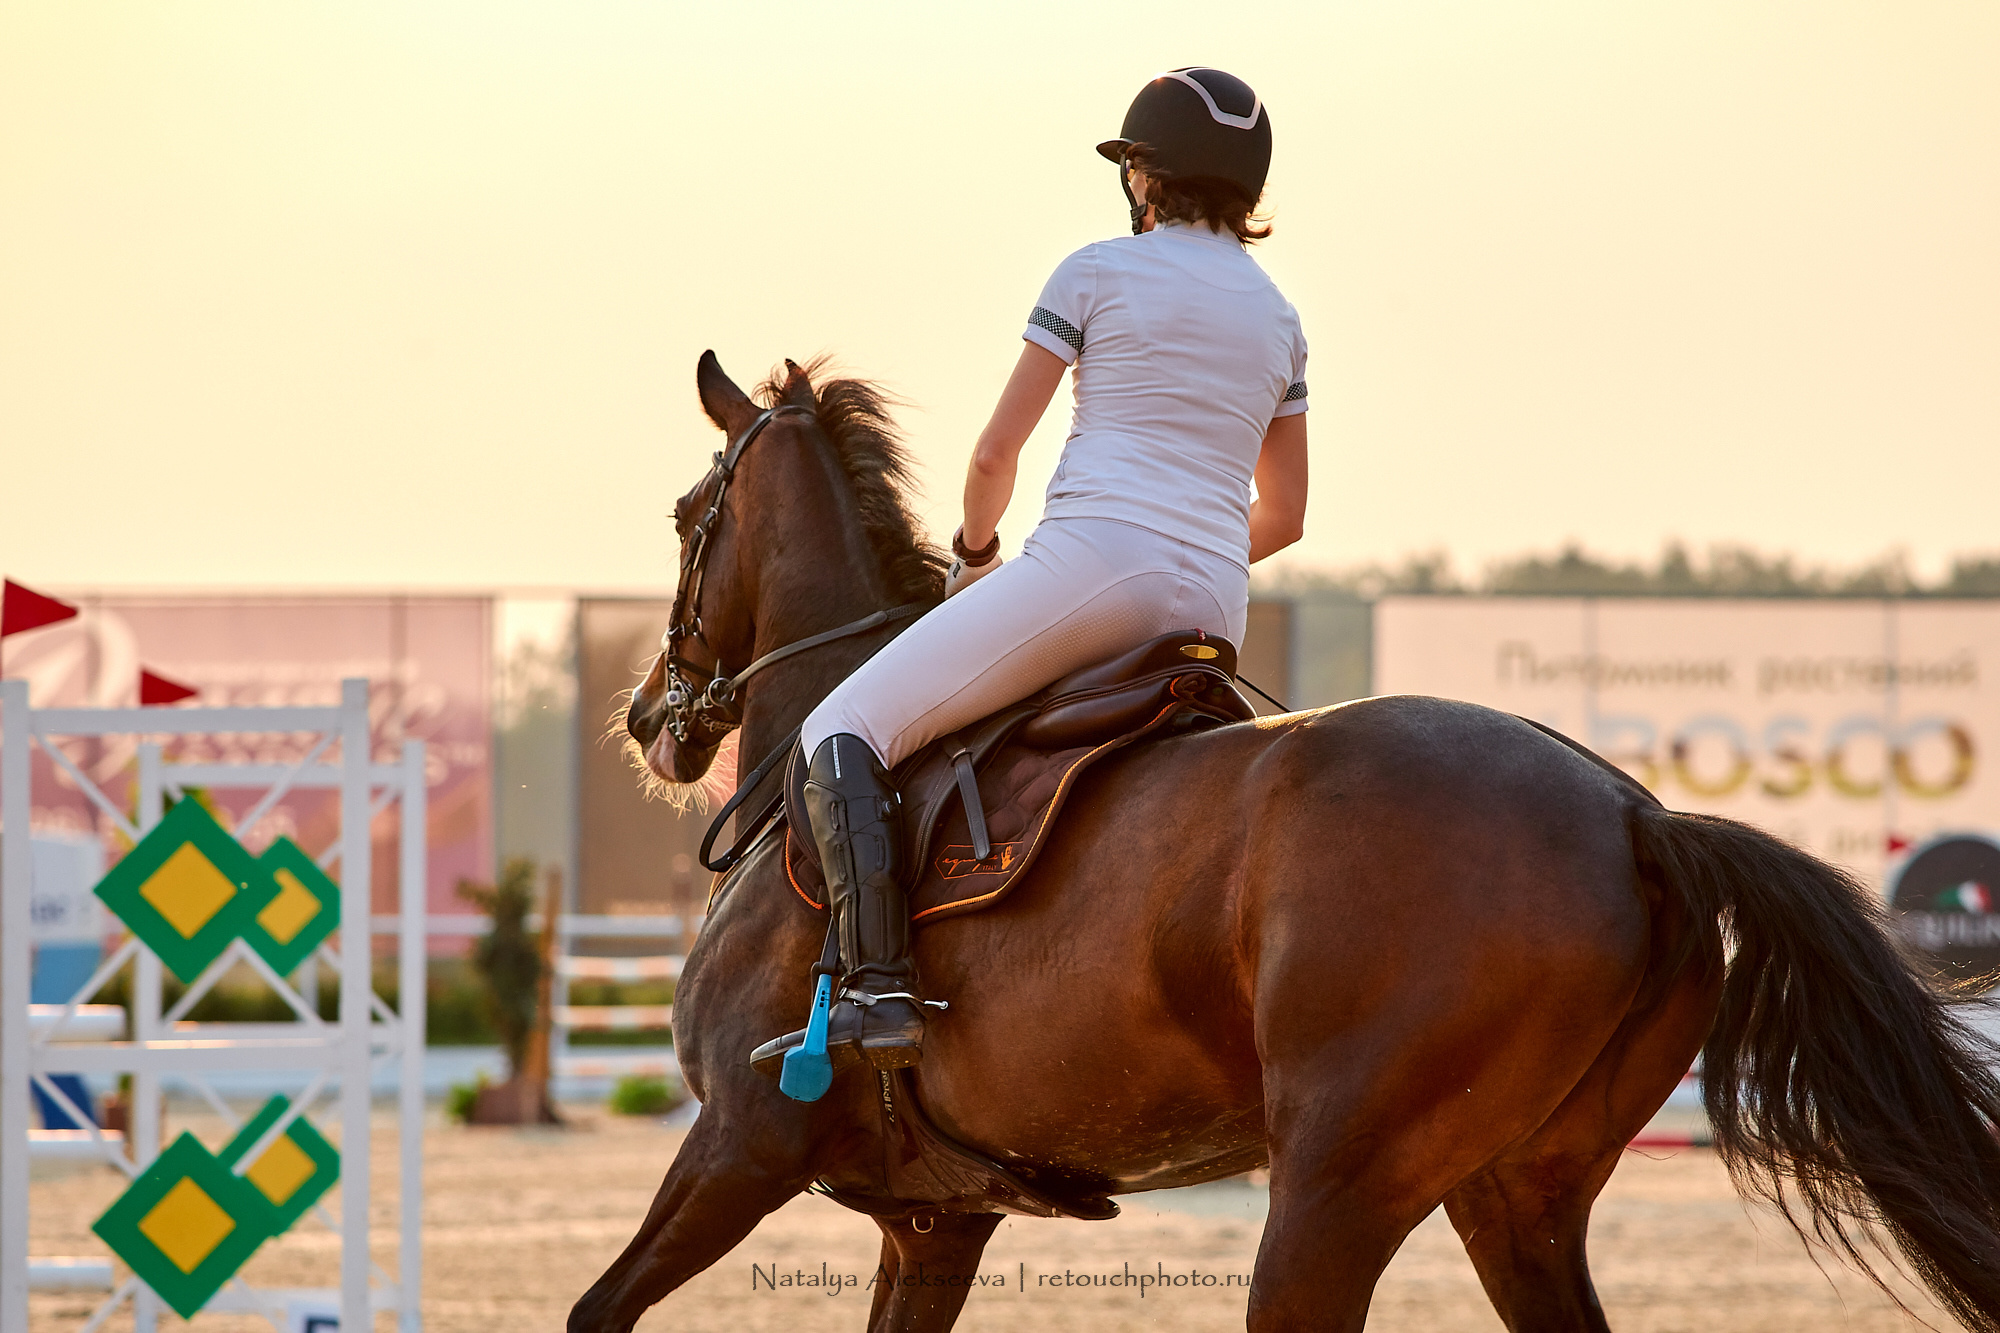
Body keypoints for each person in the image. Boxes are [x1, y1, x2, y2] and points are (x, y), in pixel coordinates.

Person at [759, 68, 1310, 1077]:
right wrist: (1193, 552)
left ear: (1146, 174)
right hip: (1213, 605)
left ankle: (877, 987)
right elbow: (1285, 515)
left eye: (1132, 165)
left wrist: (974, 559)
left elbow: (992, 456)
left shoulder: (1095, 271)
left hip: (1090, 568)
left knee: (842, 726)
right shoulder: (1279, 319)